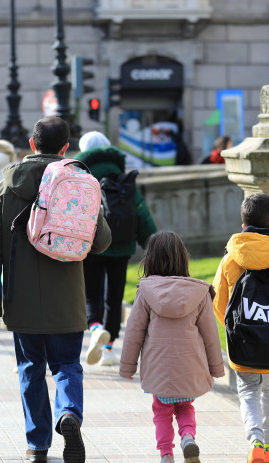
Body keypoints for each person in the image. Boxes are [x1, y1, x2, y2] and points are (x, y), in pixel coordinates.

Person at [0, 116, 112, 463]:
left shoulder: (5, 187)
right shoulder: (80, 182)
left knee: (30, 369)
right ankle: (68, 411)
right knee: (67, 363)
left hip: (20, 300)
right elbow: (101, 242)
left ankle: (37, 445)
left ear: (31, 143)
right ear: (66, 147)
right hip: (67, 298)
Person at [212, 193, 269, 463]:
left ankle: (255, 442)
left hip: (243, 341)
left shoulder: (232, 257)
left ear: (243, 226)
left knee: (248, 391)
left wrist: (234, 328)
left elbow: (219, 299)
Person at [119, 231, 224, 463]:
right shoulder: (199, 293)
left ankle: (166, 453)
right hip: (190, 366)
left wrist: (127, 367)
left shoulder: (145, 292)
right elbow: (210, 334)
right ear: (182, 258)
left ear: (150, 260)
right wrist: (216, 367)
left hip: (159, 369)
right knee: (185, 406)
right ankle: (188, 437)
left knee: (161, 411)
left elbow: (134, 332)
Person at [74, 131, 157, 367]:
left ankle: (96, 328)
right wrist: (154, 246)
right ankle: (109, 350)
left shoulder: (81, 178)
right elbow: (141, 213)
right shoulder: (123, 177)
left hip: (92, 247)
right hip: (122, 246)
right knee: (114, 296)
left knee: (91, 294)